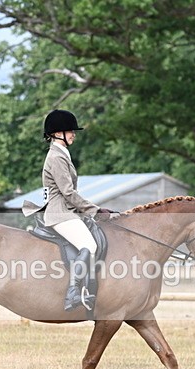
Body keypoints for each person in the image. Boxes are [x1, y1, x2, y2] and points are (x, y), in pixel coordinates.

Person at [36, 109, 114, 311]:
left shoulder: (62, 153)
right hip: (59, 213)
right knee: (89, 245)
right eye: (70, 130)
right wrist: (94, 210)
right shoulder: (56, 157)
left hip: (67, 211)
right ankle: (73, 293)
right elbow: (68, 192)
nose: (73, 134)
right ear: (56, 133)